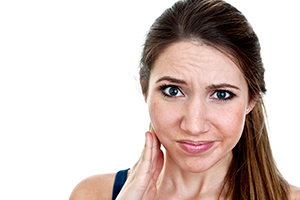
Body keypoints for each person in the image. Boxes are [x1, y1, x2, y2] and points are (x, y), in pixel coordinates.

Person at [69, 0, 300, 199]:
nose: (194, 125)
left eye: (221, 94)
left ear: (252, 99)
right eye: (172, 91)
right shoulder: (94, 194)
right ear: (144, 87)